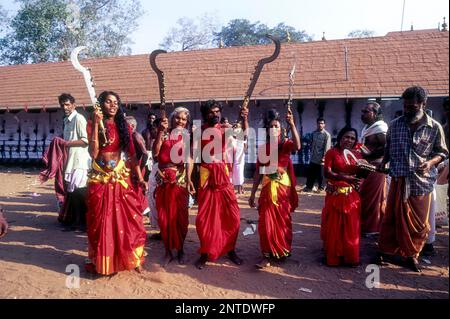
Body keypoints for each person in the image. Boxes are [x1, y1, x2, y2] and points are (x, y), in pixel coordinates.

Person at [376, 86, 448, 272]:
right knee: (391, 218)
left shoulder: (435, 127)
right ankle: (387, 251)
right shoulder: (395, 124)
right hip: (398, 179)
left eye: (412, 107)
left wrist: (431, 163)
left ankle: (412, 254)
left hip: (421, 182)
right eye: (406, 106)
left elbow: (441, 152)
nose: (407, 110)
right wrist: (383, 163)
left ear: (423, 104)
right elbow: (388, 149)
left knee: (419, 224)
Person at [85, 91, 148, 275]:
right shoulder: (92, 124)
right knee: (100, 220)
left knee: (130, 220)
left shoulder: (123, 126)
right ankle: (104, 261)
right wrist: (97, 124)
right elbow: (93, 153)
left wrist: (141, 178)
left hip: (121, 177)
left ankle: (134, 259)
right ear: (100, 105)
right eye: (108, 102)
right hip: (100, 179)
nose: (112, 105)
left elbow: (132, 154)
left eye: (115, 102)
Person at [194, 100, 248, 269]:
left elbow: (243, 134)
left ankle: (230, 249)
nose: (215, 114)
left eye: (217, 111)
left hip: (223, 178)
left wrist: (244, 118)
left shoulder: (225, 129)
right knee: (205, 220)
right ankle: (205, 252)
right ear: (205, 115)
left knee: (232, 217)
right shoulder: (198, 131)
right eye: (211, 112)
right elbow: (194, 157)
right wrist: (191, 180)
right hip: (206, 178)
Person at [249, 109, 300, 268]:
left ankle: (282, 249)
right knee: (265, 221)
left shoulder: (286, 145)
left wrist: (291, 124)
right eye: (271, 127)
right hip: (266, 187)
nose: (273, 129)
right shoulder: (263, 148)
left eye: (276, 126)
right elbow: (258, 171)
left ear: (281, 129)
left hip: (282, 188)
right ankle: (266, 255)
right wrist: (252, 194)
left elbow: (297, 146)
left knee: (282, 219)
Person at [153, 107, 194, 267]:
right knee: (164, 217)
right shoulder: (163, 134)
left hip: (179, 181)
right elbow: (156, 154)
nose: (180, 121)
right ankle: (168, 251)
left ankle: (181, 249)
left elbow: (189, 159)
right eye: (178, 118)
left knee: (180, 218)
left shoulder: (187, 137)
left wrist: (189, 179)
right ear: (172, 119)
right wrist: (159, 133)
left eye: (184, 119)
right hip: (163, 181)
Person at [321, 127, 365, 267]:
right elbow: (327, 173)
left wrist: (367, 171)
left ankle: (350, 257)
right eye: (346, 137)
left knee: (350, 227)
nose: (349, 140)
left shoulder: (357, 156)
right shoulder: (332, 153)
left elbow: (361, 175)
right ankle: (333, 257)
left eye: (352, 138)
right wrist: (345, 177)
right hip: (335, 194)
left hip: (351, 196)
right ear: (340, 138)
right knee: (334, 226)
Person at [57, 93, 91, 231]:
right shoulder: (66, 120)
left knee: (80, 192)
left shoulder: (79, 119)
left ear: (73, 105)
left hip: (80, 161)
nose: (65, 107)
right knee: (73, 193)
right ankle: (76, 221)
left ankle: (82, 222)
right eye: (63, 105)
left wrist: (65, 143)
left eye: (67, 104)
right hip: (70, 161)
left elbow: (85, 140)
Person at [359, 102, 388, 236]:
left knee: (372, 198)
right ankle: (368, 225)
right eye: (362, 111)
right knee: (366, 196)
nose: (363, 114)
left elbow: (387, 148)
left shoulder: (381, 128)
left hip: (377, 167)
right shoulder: (368, 128)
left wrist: (370, 154)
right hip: (367, 166)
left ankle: (372, 228)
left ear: (375, 114)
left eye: (366, 112)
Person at [126, 116, 150, 217]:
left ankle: (143, 210)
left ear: (131, 126)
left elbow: (145, 154)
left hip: (138, 166)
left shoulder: (136, 136)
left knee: (137, 189)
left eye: (125, 125)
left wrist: (139, 169)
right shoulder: (129, 136)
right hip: (132, 167)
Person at [303, 118, 331, 193]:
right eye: (319, 123)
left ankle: (321, 188)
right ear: (317, 124)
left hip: (321, 159)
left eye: (322, 123)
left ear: (324, 125)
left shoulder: (326, 135)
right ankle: (309, 187)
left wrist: (324, 158)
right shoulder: (313, 133)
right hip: (313, 157)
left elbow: (327, 147)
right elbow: (311, 144)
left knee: (321, 175)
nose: (320, 125)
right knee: (311, 173)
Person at [232, 122, 247, 195]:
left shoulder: (243, 136)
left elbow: (245, 147)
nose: (236, 128)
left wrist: (241, 154)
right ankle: (237, 188)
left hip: (240, 157)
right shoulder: (232, 137)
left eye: (238, 127)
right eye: (235, 127)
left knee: (240, 172)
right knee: (234, 173)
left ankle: (240, 189)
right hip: (233, 157)